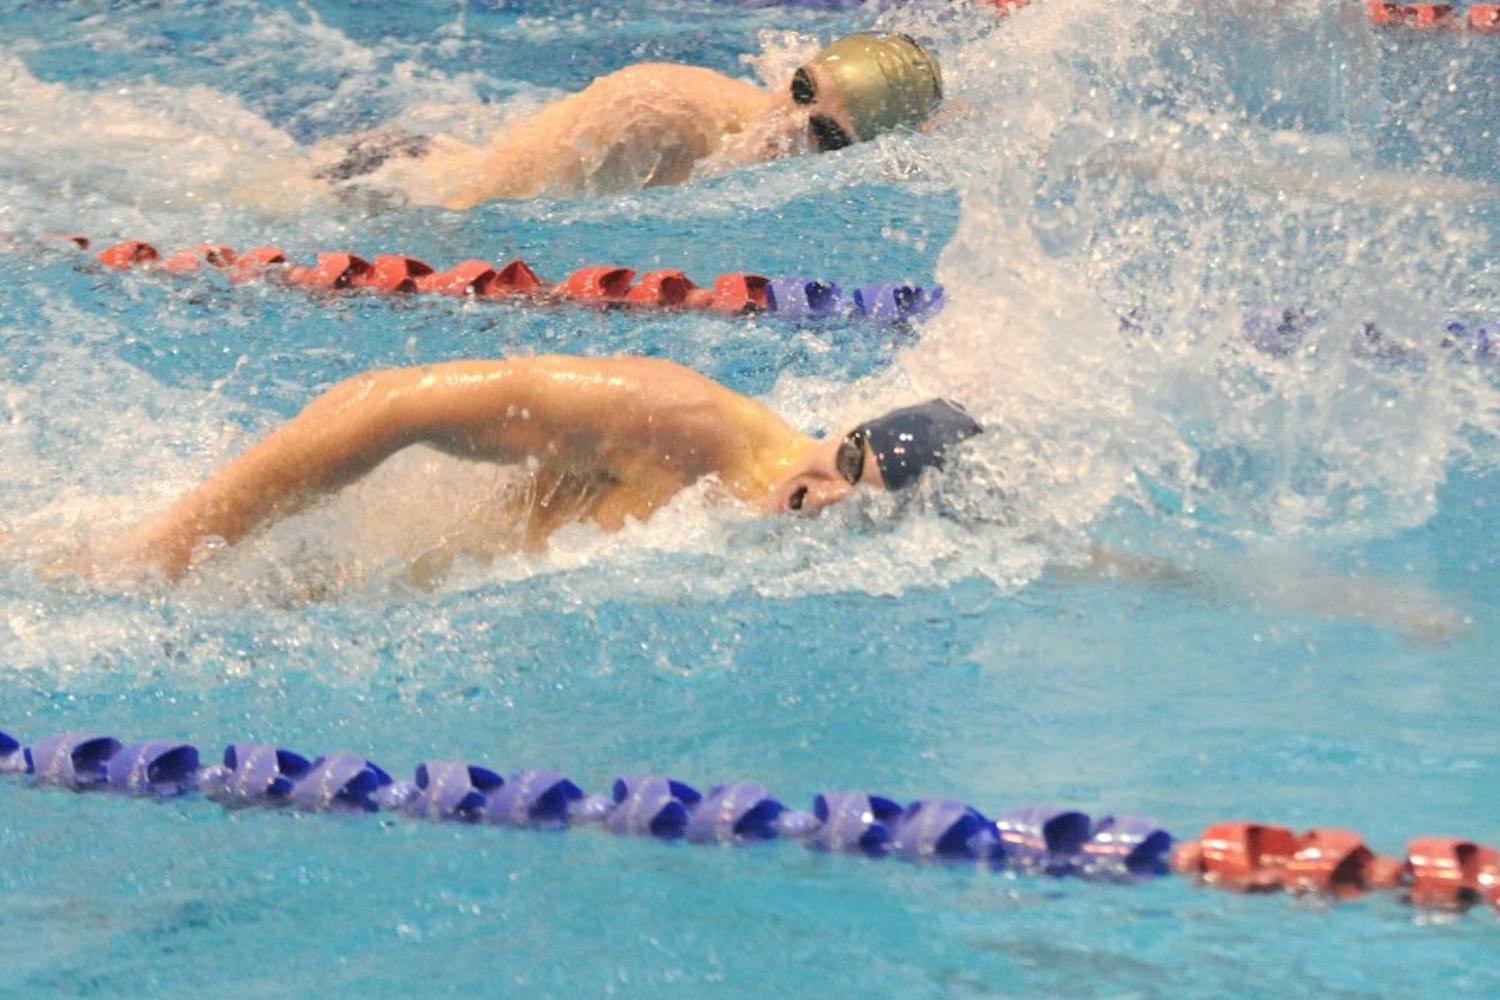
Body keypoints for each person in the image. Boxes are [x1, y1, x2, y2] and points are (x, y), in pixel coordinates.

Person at [113, 355, 982, 580]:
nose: (821, 495)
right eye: (847, 457)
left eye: (853, 507)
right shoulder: (671, 421)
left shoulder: (758, 533)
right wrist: (178, 543)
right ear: (844, 427)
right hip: (278, 566)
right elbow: (386, 400)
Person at [309, 32, 943, 208]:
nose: (789, 124)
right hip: (381, 186)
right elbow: (464, 205)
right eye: (802, 89)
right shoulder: (660, 118)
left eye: (826, 136)